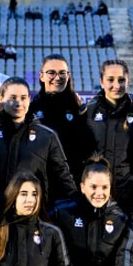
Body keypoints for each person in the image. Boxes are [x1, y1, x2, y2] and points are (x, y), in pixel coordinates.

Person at [0, 77, 76, 236]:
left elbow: (63, 176)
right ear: (1, 98)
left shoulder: (46, 136)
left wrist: (78, 205)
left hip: (33, 219)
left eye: (23, 98)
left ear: (29, 100)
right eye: (12, 98)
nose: (18, 103)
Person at [83, 60, 133, 212]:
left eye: (121, 80)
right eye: (110, 80)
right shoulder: (88, 112)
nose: (116, 85)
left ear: (128, 80)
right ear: (101, 82)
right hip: (97, 195)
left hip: (131, 196)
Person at [28, 54, 88, 183]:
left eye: (62, 73)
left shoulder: (78, 108)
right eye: (51, 73)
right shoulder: (31, 109)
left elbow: (86, 145)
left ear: (68, 76)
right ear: (41, 76)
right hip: (42, 183)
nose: (57, 77)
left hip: (73, 183)